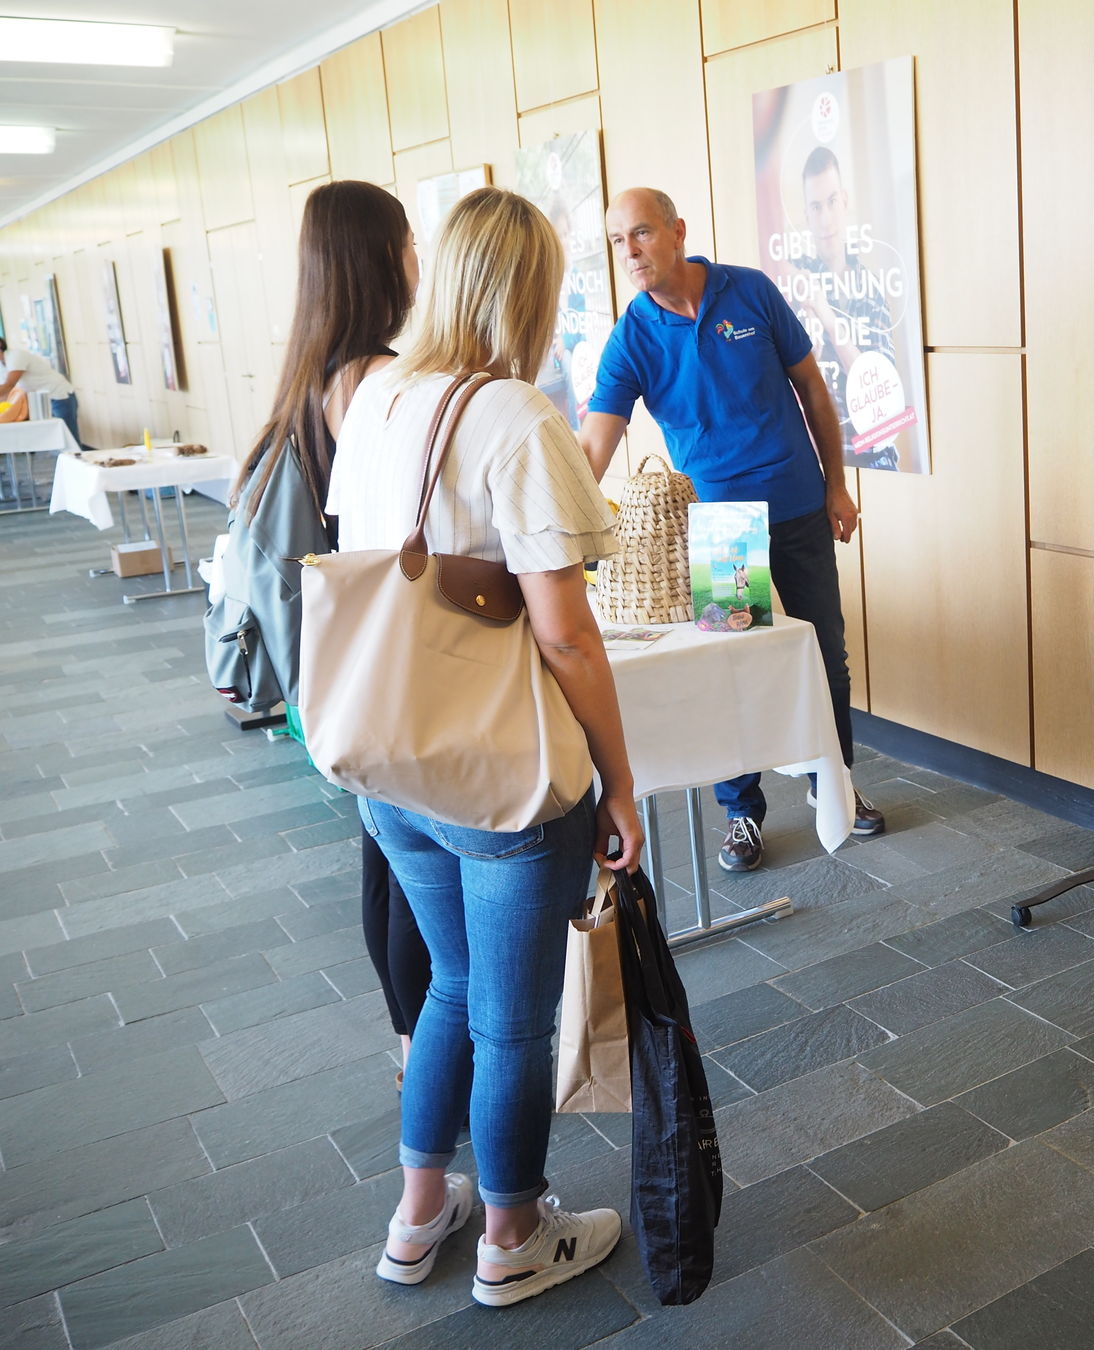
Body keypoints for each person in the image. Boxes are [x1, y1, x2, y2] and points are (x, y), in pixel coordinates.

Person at [329, 187, 643, 1307]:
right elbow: (562, 631)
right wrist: (621, 779)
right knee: (515, 1015)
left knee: (453, 986)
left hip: (385, 757)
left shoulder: (369, 400)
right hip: (496, 778)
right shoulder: (517, 419)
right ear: (535, 291)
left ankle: (420, 1216)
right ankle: (513, 1235)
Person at [579, 186, 886, 873]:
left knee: (822, 656)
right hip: (719, 528)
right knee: (731, 666)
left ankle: (832, 786)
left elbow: (812, 389)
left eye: (641, 234)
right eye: (617, 241)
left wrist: (837, 483)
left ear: (677, 230)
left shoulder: (749, 293)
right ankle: (742, 813)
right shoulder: (631, 338)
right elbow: (593, 447)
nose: (628, 252)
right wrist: (557, 519)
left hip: (799, 502)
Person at [234, 180, 431, 1096]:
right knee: (412, 872)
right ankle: (424, 1052)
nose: (416, 258)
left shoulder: (310, 379)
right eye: (406, 241)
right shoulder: (376, 381)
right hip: (386, 662)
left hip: (334, 670)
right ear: (379, 260)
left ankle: (408, 1045)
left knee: (384, 860)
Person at [792, 146, 900, 471]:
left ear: (845, 201)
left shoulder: (872, 290)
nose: (825, 219)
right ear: (806, 215)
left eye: (831, 202)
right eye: (815, 206)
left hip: (874, 458)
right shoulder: (792, 283)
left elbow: (881, 392)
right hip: (818, 462)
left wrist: (828, 319)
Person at [0, 337, 80, 447]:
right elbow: (5, 393)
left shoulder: (15, 356)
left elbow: (9, 385)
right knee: (54, 439)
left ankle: (80, 462)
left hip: (59, 395)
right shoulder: (2, 365)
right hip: (40, 401)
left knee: (69, 438)